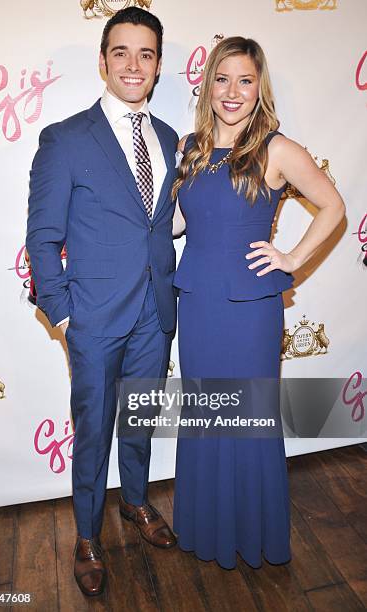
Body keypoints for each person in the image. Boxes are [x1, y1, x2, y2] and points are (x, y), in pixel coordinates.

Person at [172, 36, 345, 569]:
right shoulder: (192, 147)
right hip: (198, 302)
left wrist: (292, 257)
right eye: (222, 78)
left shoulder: (276, 148)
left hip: (249, 308)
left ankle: (251, 534)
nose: (232, 91)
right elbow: (179, 221)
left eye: (244, 80)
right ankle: (207, 530)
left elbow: (333, 205)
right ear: (208, 85)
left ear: (259, 87)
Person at [26, 7, 178, 596]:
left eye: (146, 54)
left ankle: (137, 503)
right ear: (103, 61)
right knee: (92, 431)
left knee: (139, 418)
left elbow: (160, 223)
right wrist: (63, 314)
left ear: (159, 65)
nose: (133, 64)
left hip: (154, 314)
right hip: (93, 318)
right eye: (122, 52)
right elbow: (43, 237)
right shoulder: (64, 139)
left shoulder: (169, 139)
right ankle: (87, 536)